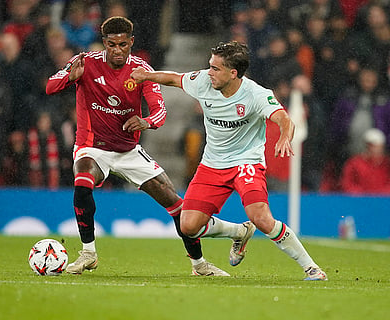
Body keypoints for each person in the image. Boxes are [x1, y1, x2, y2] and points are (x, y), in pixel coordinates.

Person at [46, 16, 254, 276]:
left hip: (129, 151)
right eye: (111, 44)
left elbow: (160, 111)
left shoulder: (141, 70)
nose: (117, 50)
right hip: (92, 146)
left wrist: (145, 122)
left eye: (123, 44)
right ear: (104, 43)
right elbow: (49, 86)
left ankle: (201, 263)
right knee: (83, 179)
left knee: (178, 206)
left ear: (131, 42)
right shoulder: (85, 62)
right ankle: (88, 253)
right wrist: (68, 78)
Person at [130, 40, 327, 280]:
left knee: (261, 217)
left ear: (233, 73)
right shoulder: (203, 81)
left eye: (215, 68)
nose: (208, 72)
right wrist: (146, 76)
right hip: (212, 164)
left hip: (246, 162)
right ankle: (239, 232)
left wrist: (285, 136)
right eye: (210, 66)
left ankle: (312, 268)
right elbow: (173, 78)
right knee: (188, 226)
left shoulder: (256, 94)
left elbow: (284, 119)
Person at [340, 128, 390, 195]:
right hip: (359, 202)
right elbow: (347, 185)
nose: (375, 150)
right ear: (366, 146)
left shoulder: (387, 164)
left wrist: (379, 194)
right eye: (372, 146)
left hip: (383, 202)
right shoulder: (354, 163)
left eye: (378, 146)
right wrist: (364, 194)